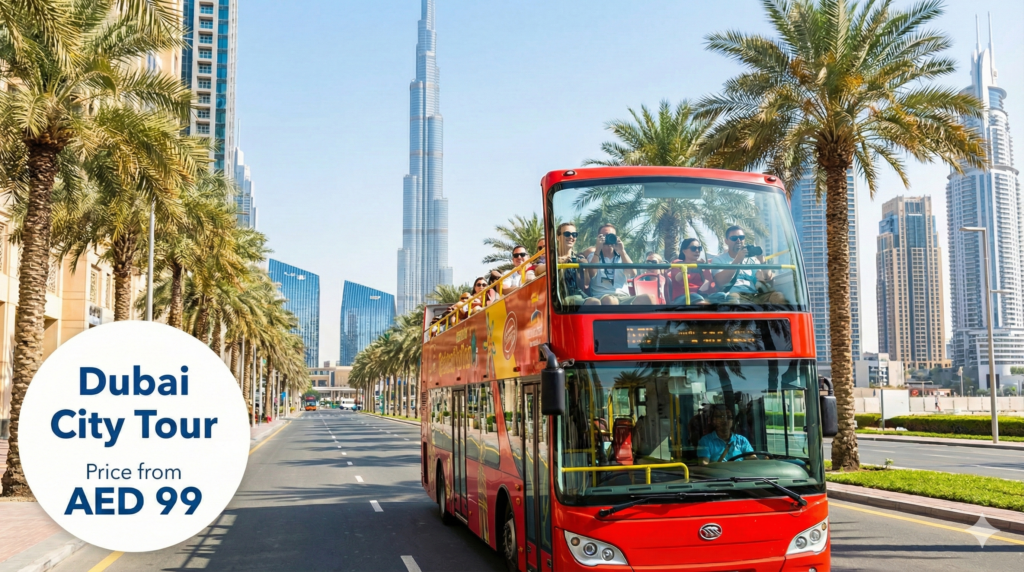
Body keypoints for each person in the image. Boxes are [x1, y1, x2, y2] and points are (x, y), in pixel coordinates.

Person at [710, 225, 785, 304]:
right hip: (734, 294)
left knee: (778, 296)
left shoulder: (751, 260)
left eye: (741, 237)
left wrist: (763, 262)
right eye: (734, 238)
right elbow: (720, 282)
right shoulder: (718, 259)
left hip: (754, 295)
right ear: (726, 241)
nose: (738, 240)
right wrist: (737, 260)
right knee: (734, 300)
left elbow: (767, 279)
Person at [586, 224, 645, 305]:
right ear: (598, 237)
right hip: (602, 297)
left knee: (649, 298)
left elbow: (632, 273)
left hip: (623, 296)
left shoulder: (622, 256)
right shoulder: (593, 256)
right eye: (605, 235)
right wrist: (597, 249)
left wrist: (622, 251)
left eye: (611, 235)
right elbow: (592, 274)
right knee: (610, 300)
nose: (608, 238)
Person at [554, 222, 597, 306]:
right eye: (567, 234)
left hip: (578, 296)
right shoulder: (551, 258)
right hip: (559, 298)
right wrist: (558, 263)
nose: (571, 237)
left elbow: (585, 285)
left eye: (574, 234)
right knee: (594, 303)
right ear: (558, 237)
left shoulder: (579, 259)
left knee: (598, 303)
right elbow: (538, 270)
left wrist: (585, 269)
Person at [668, 238, 714, 304]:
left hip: (701, 296)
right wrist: (691, 266)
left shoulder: (703, 265)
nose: (697, 251)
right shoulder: (677, 263)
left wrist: (705, 270)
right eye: (693, 248)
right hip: (682, 298)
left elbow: (708, 284)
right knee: (697, 298)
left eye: (699, 248)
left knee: (722, 296)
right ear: (684, 251)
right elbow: (677, 278)